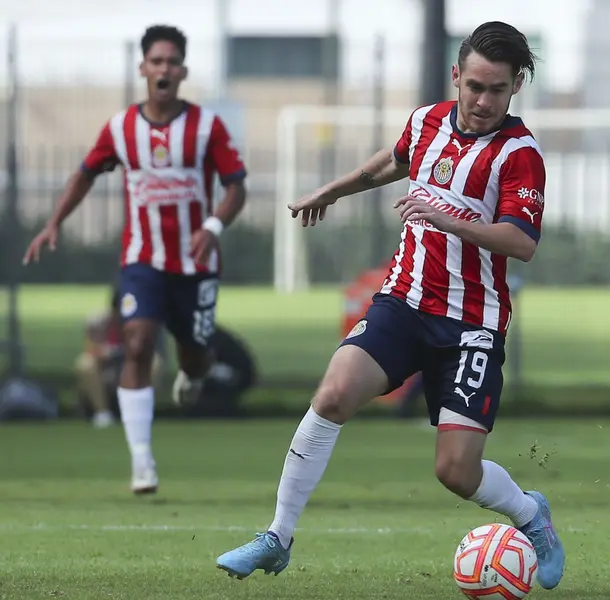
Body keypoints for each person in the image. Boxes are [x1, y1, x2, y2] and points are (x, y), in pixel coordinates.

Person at [214, 21, 566, 590]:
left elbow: (522, 242)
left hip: (471, 323)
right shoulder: (426, 122)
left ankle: (530, 515)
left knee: (455, 471)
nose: (482, 101)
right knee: (332, 394)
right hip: (402, 302)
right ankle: (276, 537)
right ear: (456, 75)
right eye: (474, 86)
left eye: (496, 90)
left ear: (516, 86)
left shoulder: (519, 155)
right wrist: (331, 191)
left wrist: (447, 219)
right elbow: (390, 163)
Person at [23, 24, 248, 494]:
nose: (164, 69)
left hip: (196, 263)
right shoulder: (121, 129)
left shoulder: (207, 127)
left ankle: (192, 372)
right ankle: (142, 460)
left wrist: (211, 226)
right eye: (156, 61)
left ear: (182, 70)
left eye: (172, 62)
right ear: (143, 68)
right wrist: (53, 222)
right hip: (142, 260)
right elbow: (85, 174)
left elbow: (235, 188)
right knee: (138, 343)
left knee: (197, 357)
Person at [74, 288, 165, 428]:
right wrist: (106, 351)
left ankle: (141, 411)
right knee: (85, 364)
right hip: (106, 367)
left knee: (156, 362)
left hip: (132, 366)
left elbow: (147, 349)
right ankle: (102, 413)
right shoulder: (98, 322)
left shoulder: (142, 323)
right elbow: (90, 348)